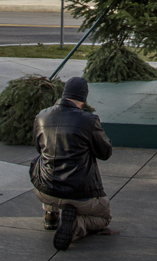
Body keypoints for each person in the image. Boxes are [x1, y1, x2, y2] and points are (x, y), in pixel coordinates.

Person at [29, 76, 114, 251]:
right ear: (83, 98)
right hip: (80, 195)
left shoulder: (41, 116)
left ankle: (51, 214)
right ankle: (77, 223)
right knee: (104, 217)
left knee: (44, 160)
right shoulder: (89, 121)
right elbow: (105, 153)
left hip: (45, 190)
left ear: (64, 93)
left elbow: (38, 149)